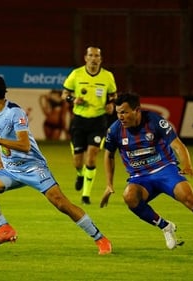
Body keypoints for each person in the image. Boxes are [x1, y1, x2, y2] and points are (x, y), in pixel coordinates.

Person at [0, 73, 112, 255]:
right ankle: (5, 228)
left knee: (62, 204)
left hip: (33, 168)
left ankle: (100, 238)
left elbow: (24, 145)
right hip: (11, 170)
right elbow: (0, 133)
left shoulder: (15, 112)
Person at [100, 92, 193, 252]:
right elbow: (108, 155)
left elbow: (178, 145)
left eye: (124, 112)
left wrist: (187, 166)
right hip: (140, 177)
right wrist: (109, 184)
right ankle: (166, 226)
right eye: (118, 112)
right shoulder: (115, 130)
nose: (120, 116)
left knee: (188, 196)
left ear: (137, 110)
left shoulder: (154, 120)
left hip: (164, 169)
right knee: (129, 197)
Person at [62, 46, 117, 204]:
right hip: (79, 121)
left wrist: (111, 104)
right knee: (78, 162)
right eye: (91, 55)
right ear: (85, 58)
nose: (94, 58)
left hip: (98, 121)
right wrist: (73, 100)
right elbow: (64, 94)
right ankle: (80, 174)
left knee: (91, 158)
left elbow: (113, 95)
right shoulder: (76, 74)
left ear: (100, 59)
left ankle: (86, 195)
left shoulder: (107, 76)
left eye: (96, 56)